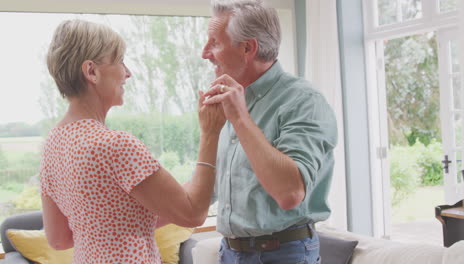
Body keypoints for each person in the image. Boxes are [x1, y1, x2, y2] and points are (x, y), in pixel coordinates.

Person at [40, 19, 225, 264]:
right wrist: (210, 133)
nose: (127, 73)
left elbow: (59, 239)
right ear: (91, 71)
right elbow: (192, 214)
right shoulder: (115, 145)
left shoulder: (52, 145)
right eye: (120, 61)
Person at [201, 0, 338, 263]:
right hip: (230, 253)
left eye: (215, 42)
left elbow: (290, 193)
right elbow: (211, 187)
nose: (205, 53)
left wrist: (241, 119)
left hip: (283, 254)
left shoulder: (303, 101)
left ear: (247, 48)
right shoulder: (232, 101)